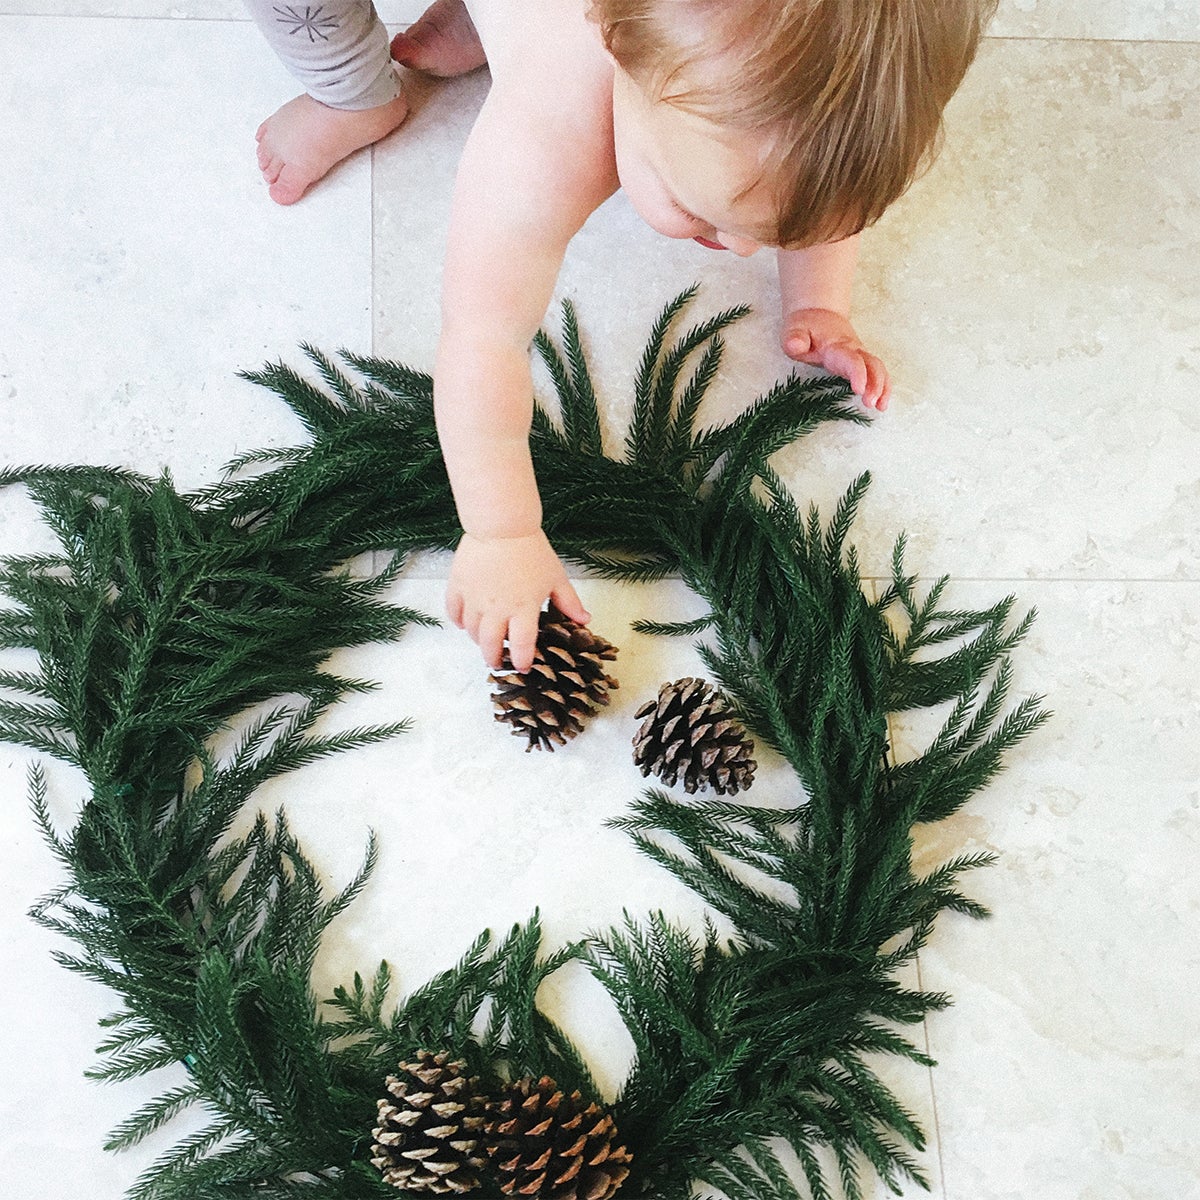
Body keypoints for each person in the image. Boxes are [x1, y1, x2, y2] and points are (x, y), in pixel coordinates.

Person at [247, 0, 997, 672]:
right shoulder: (546, 133)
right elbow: (482, 337)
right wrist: (501, 533)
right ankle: (345, 89)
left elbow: (818, 175)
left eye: (765, 232)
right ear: (618, 46)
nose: (739, 251)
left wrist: (819, 304)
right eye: (698, 209)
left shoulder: (835, 103)